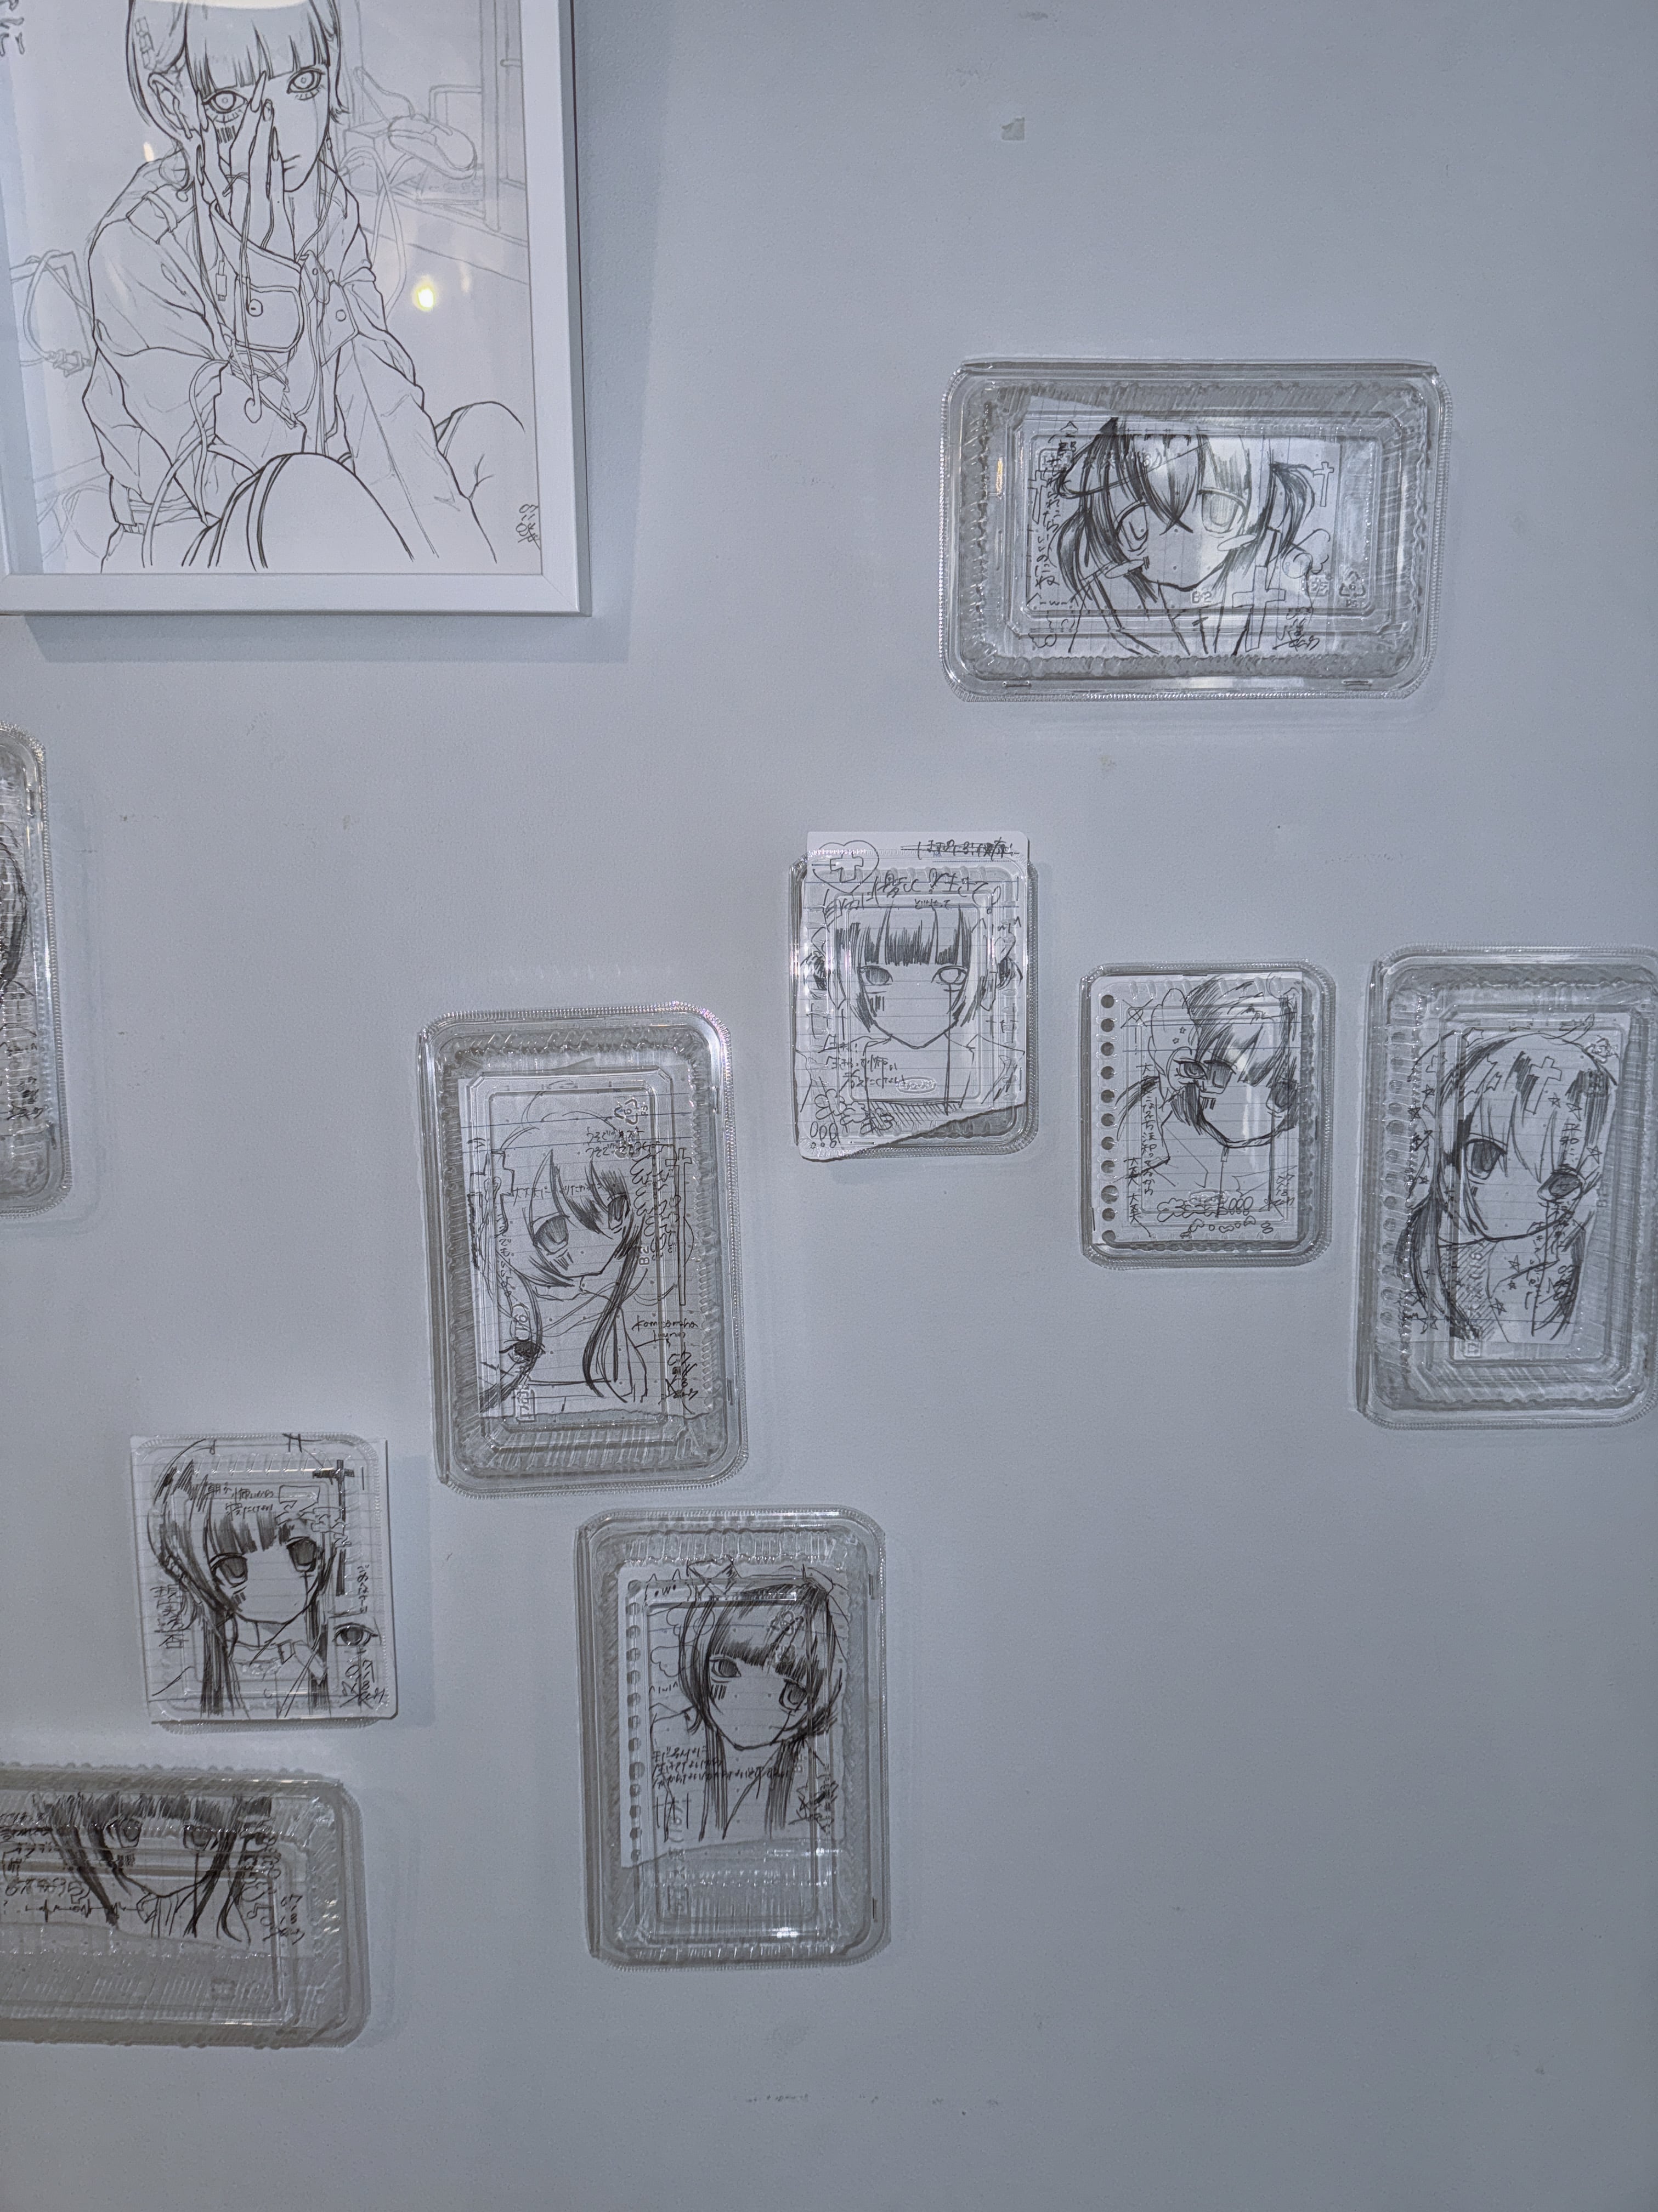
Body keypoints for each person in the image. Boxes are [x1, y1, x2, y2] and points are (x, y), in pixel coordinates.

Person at [83, 0, 529, 572]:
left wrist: (445, 550)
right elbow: (230, 475)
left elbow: (377, 392)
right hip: (192, 542)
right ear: (176, 105)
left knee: (490, 437)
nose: (283, 129)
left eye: (303, 83)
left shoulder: (326, 202)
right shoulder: (135, 245)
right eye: (231, 100)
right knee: (301, 487)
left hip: (333, 487)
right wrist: (265, 270)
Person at [1397, 1032, 1616, 1345]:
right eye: (1484, 1157)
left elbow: (1538, 1339)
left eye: (1563, 1183)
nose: (1542, 1196)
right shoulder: (1419, 1242)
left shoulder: (1554, 1255)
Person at [1052, 420, 1323, 655]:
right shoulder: (1104, 595)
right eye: (1138, 525)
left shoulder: (1275, 570)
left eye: (1218, 510)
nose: (1175, 545)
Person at [480, 1104, 649, 1415]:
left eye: (555, 1230)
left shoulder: (612, 1295)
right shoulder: (515, 1296)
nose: (548, 1249)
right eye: (550, 1233)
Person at [147, 1447, 340, 1716]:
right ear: (200, 1576)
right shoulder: (218, 1649)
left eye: (301, 1551)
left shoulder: (309, 1637)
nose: (276, 1582)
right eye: (233, 1568)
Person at [676, 1571, 840, 1843]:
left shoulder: (812, 1778)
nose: (747, 1701)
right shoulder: (679, 1745)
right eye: (725, 1669)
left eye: (792, 1693)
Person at [1121, 979, 1300, 1225]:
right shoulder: (1160, 1132)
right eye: (1219, 1073)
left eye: (1283, 1093)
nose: (1264, 1105)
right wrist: (1167, 1080)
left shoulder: (1282, 1167)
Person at [15, 1787, 277, 1940]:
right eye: (129, 1831)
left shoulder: (224, 1923)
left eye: (199, 1835)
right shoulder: (115, 1899)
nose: (165, 1850)